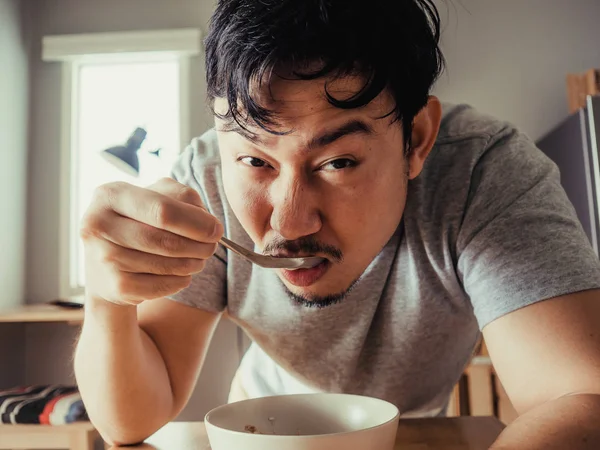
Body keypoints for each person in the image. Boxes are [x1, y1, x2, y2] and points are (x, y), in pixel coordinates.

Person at [74, 0, 600, 448]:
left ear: (415, 140)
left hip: (413, 431)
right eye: (256, 161)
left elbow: (581, 396)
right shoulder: (204, 186)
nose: (290, 219)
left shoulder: (482, 172)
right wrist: (105, 301)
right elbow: (131, 418)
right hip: (260, 425)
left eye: (337, 162)